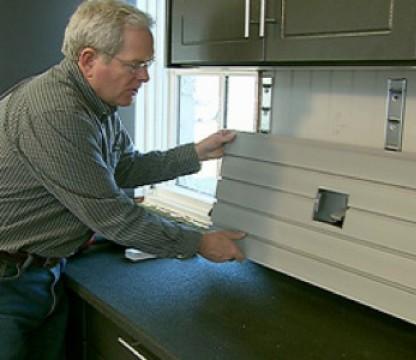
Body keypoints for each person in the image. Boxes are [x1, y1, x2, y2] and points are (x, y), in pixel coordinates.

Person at [0, 0, 245, 359]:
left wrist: (196, 153)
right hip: (8, 282)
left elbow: (123, 167)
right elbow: (113, 216)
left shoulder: (95, 105)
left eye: (146, 65)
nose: (145, 77)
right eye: (136, 65)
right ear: (88, 61)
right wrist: (200, 244)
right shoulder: (57, 113)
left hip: (40, 272)